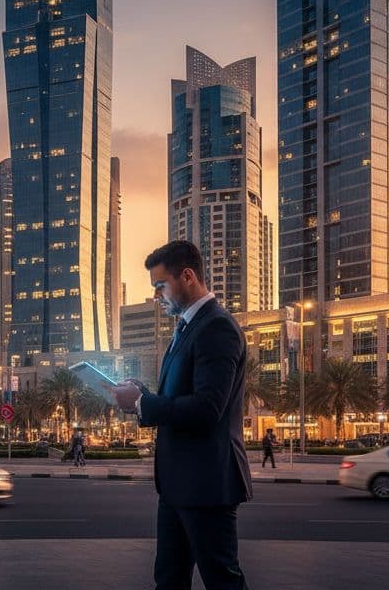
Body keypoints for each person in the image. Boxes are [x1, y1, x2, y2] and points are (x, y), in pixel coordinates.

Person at [111, 240, 252, 590]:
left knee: (222, 580)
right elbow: (179, 397)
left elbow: (207, 408)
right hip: (178, 484)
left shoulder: (217, 327)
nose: (157, 297)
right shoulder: (187, 328)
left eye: (160, 286)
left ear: (187, 276)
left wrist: (143, 405)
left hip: (206, 482)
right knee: (169, 579)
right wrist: (142, 394)